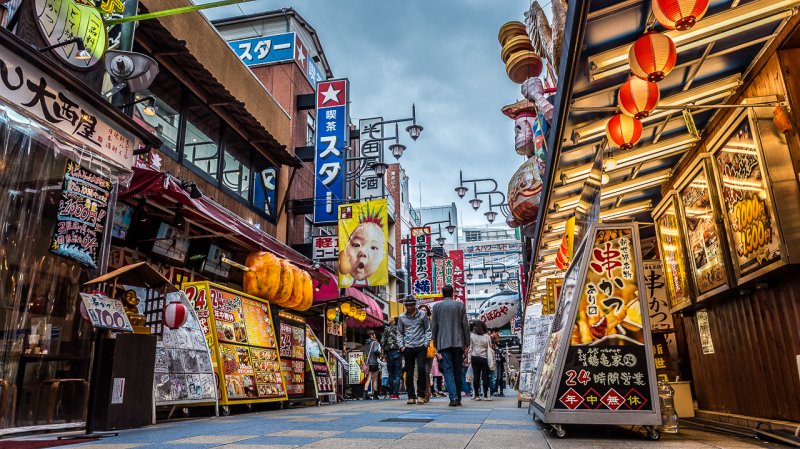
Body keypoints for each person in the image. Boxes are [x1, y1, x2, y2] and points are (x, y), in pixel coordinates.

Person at [431, 284, 470, 407]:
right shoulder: (459, 305)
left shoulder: (436, 306)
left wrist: (435, 342)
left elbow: (434, 326)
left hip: (443, 342)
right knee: (458, 370)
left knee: (448, 370)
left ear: (442, 294)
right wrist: (467, 342)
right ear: (452, 293)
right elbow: (465, 325)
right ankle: (458, 397)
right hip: (458, 342)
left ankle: (453, 397)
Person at [397, 297, 431, 405]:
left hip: (421, 345)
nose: (408, 307)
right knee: (409, 372)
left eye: (410, 305)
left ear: (414, 305)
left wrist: (425, 344)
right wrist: (401, 346)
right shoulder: (402, 317)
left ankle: (421, 395)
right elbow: (400, 333)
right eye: (406, 305)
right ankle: (411, 396)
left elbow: (428, 330)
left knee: (421, 370)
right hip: (408, 347)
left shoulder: (422, 315)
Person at [338, 213, 386, 287]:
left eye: (373, 248)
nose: (363, 252)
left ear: (382, 256)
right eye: (356, 245)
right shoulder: (344, 279)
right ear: (346, 248)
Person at [469, 320, 492, 401]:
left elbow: (470, 347)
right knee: (485, 377)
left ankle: (477, 396)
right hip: (484, 357)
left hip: (474, 357)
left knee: (476, 377)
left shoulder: (472, 336)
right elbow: (489, 347)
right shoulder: (487, 337)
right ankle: (485, 396)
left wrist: (469, 359)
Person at [381, 317, 402, 399]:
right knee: (397, 374)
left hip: (389, 353)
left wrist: (384, 349)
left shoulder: (386, 329)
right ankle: (396, 394)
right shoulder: (399, 329)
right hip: (398, 352)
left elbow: (382, 342)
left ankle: (391, 393)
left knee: (390, 374)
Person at [419, 304, 434, 403]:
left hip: (429, 348)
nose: (423, 312)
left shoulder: (431, 322)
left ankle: (426, 393)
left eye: (425, 310)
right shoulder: (416, 322)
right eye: (421, 310)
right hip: (418, 348)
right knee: (420, 372)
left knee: (426, 372)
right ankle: (421, 393)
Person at [364, 330, 381, 400]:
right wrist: (379, 353)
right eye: (374, 334)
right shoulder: (375, 343)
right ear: (371, 335)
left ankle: (365, 394)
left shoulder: (367, 343)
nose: (375, 335)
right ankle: (375, 395)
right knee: (375, 380)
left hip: (368, 363)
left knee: (368, 379)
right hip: (374, 363)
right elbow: (375, 351)